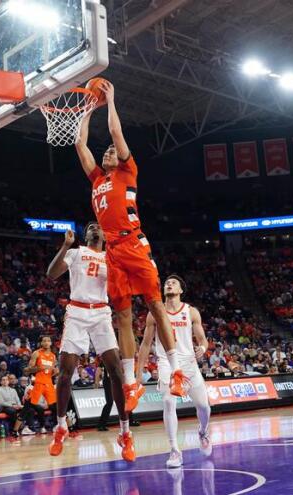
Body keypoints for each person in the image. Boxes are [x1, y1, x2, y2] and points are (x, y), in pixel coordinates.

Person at [75, 80, 185, 413]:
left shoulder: (127, 170)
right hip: (112, 252)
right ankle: (131, 382)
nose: (108, 151)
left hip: (134, 244)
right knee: (122, 317)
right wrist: (85, 110)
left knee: (154, 306)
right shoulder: (96, 179)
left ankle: (177, 370)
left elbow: (116, 131)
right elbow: (80, 142)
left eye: (110, 149)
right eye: (105, 150)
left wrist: (109, 101)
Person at [44, 224, 133, 460]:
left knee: (116, 370)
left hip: (101, 313)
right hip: (77, 311)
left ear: (105, 235)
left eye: (99, 227)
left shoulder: (110, 257)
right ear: (86, 236)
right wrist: (65, 245)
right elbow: (52, 274)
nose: (95, 228)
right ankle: (61, 426)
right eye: (91, 227)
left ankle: (125, 432)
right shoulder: (76, 252)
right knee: (65, 372)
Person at [137, 275, 212, 468]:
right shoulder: (154, 312)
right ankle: (174, 451)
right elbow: (145, 344)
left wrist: (202, 349)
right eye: (166, 283)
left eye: (173, 283)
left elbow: (203, 340)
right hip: (166, 363)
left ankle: (203, 431)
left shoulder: (191, 311)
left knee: (203, 406)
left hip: (188, 362)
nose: (169, 284)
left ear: (180, 290)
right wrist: (138, 372)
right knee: (169, 402)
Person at [26, 336, 58, 431]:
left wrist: (55, 371)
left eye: (48, 341)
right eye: (44, 341)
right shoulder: (36, 353)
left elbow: (51, 372)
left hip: (48, 383)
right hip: (38, 382)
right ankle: (27, 427)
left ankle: (56, 425)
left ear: (51, 343)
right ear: (41, 343)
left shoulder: (53, 356)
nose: (46, 342)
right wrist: (39, 368)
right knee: (30, 405)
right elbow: (29, 369)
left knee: (54, 406)